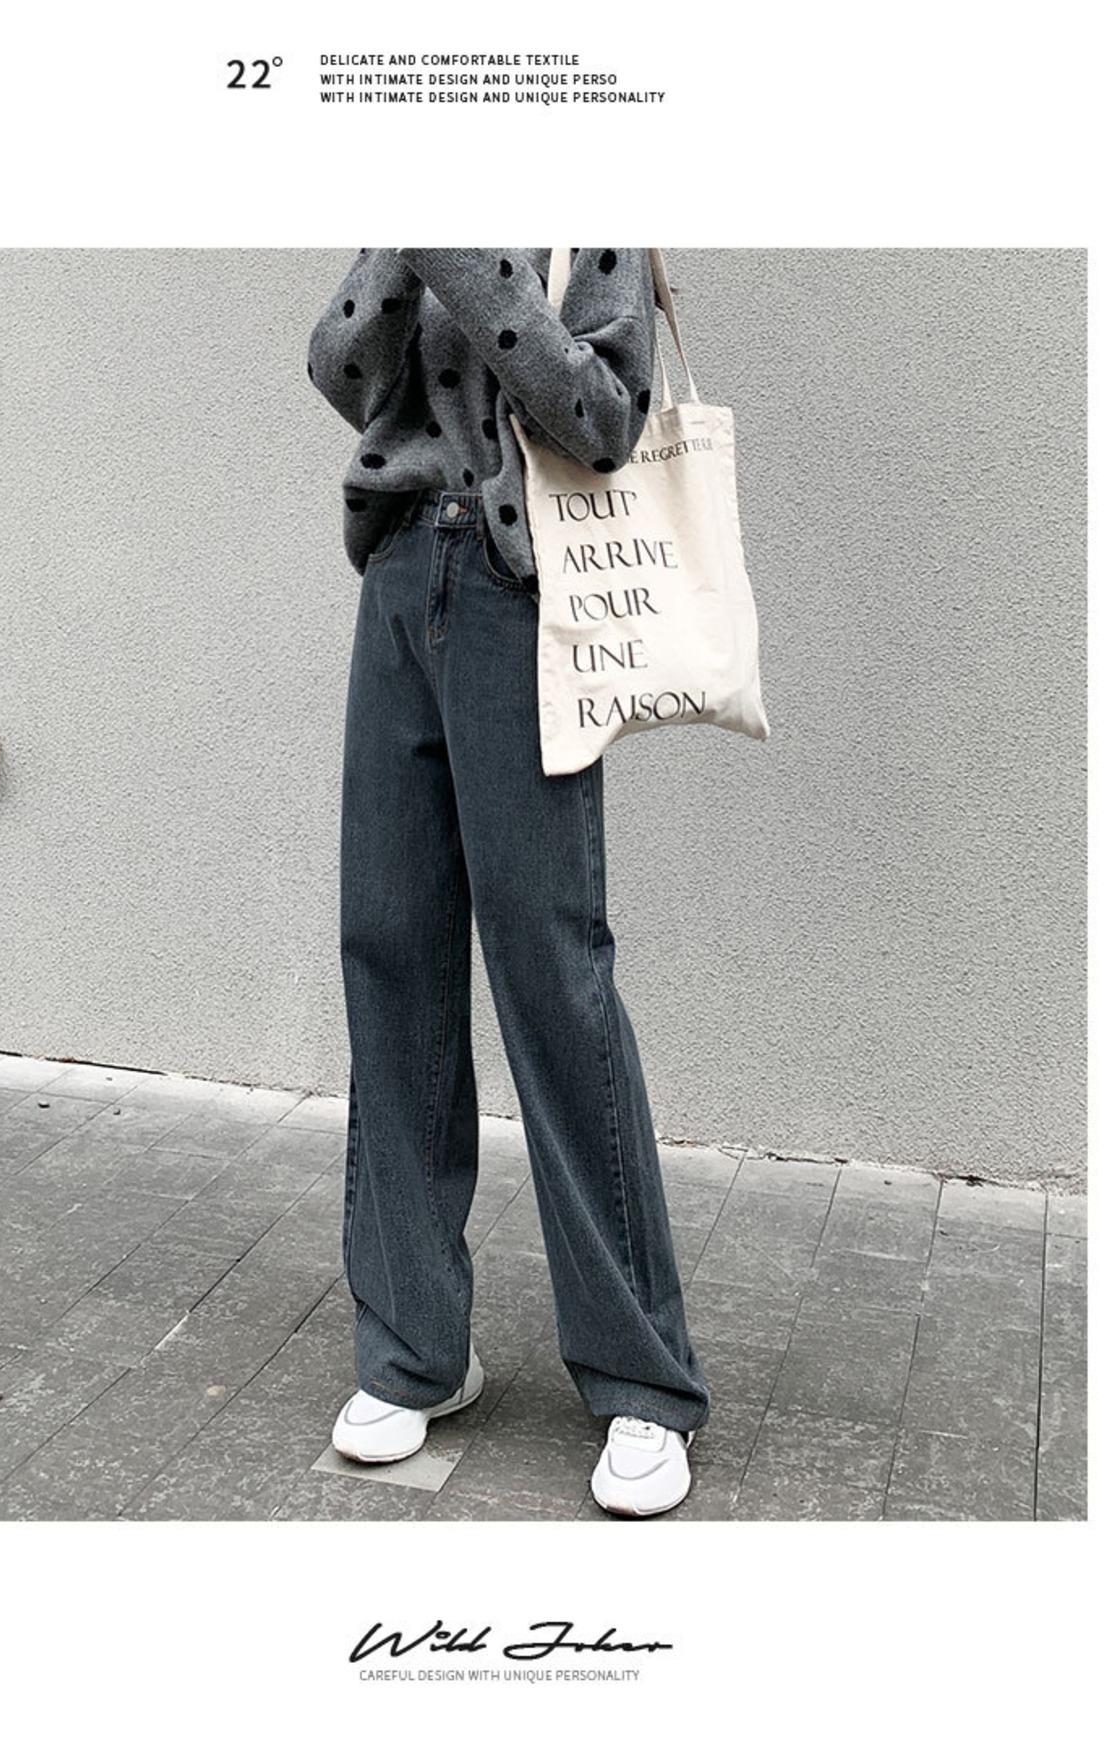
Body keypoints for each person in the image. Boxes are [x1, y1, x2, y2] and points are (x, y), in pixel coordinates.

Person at [307, 248, 711, 1518]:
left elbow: (600, 417)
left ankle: (641, 1380)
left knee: (550, 973)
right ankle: (413, 1350)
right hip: (397, 582)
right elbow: (339, 369)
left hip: (522, 600)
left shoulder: (588, 221)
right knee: (390, 951)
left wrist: (471, 266)